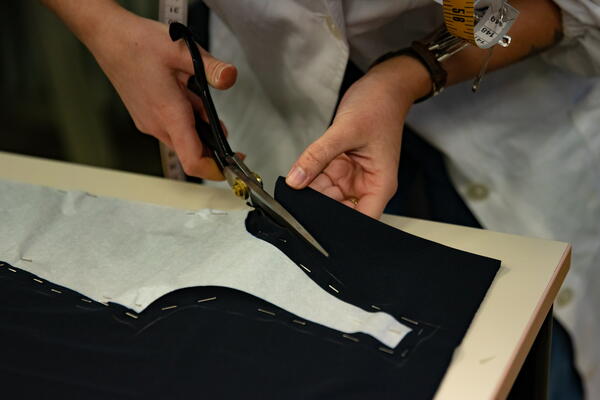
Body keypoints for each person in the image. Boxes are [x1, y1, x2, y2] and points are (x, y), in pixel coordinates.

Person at [41, 0, 600, 398]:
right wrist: (100, 24)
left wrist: (402, 77)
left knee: (526, 355)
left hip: (509, 102)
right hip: (265, 87)